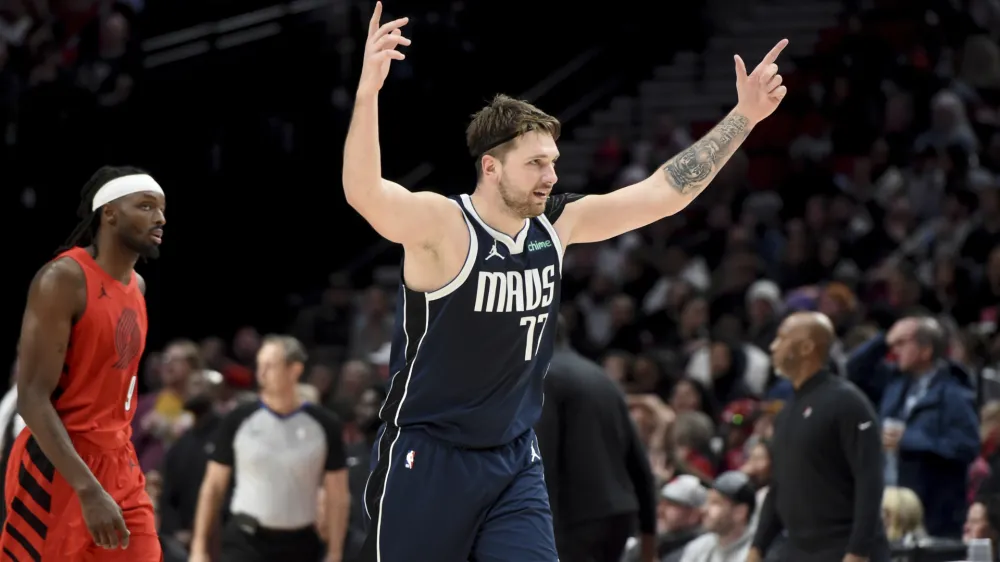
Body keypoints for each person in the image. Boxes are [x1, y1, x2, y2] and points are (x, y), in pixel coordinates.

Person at [343, 3, 789, 560]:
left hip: (513, 458)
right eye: (536, 164)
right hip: (429, 457)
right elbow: (366, 194)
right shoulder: (444, 226)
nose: (552, 175)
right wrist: (367, 95)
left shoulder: (558, 222)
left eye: (553, 161)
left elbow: (663, 192)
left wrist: (744, 116)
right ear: (492, 168)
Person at [1, 166, 166, 561]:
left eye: (162, 209)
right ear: (109, 212)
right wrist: (88, 489)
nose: (160, 218)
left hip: (120, 460)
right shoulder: (63, 279)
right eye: (145, 206)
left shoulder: (137, 287)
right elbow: (32, 399)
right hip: (58, 465)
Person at [189, 335, 349, 562]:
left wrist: (335, 551)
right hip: (244, 542)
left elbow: (338, 494)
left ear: (294, 370)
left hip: (300, 545)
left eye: (270, 365)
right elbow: (213, 486)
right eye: (260, 364)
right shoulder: (238, 419)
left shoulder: (325, 424)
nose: (261, 372)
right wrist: (198, 547)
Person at [749, 312, 890, 562]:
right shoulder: (786, 412)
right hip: (798, 549)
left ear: (806, 347)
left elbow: (870, 480)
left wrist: (858, 550)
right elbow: (778, 486)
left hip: (842, 548)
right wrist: (757, 546)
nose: (773, 347)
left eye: (781, 338)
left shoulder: (847, 402)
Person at [535, 316, 657, 562]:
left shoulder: (544, 375)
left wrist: (540, 533)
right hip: (620, 515)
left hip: (576, 519)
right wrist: (649, 531)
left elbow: (543, 459)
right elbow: (638, 461)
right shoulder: (601, 377)